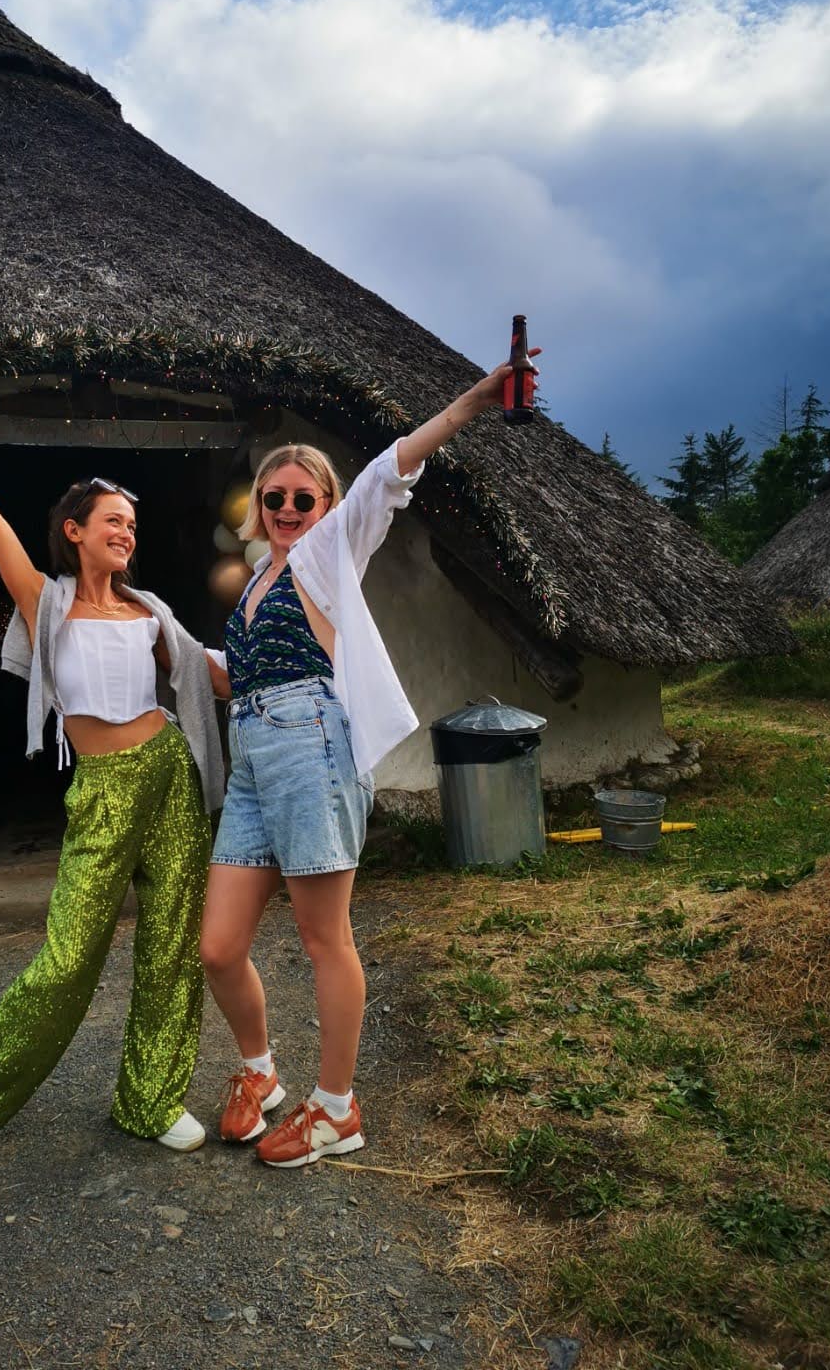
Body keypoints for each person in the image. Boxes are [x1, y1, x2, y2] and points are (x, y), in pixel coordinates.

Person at [199, 355, 540, 1168]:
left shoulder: (328, 553)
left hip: (310, 747)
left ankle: (336, 1109)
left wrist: (471, 402)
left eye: (302, 497)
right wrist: (157, 644)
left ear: (326, 505)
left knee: (325, 939)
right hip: (251, 754)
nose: (286, 508)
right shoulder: (253, 581)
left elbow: (397, 462)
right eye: (272, 498)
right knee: (217, 946)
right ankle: (260, 1074)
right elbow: (234, 674)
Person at [0, 398, 228, 1153]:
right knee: (69, 960)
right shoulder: (45, 601)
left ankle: (151, 1099)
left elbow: (211, 674)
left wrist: (299, 671)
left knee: (171, 947)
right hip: (102, 790)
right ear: (75, 530)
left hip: (169, 774)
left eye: (132, 524)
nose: (126, 532)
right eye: (112, 521)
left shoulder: (151, 613)